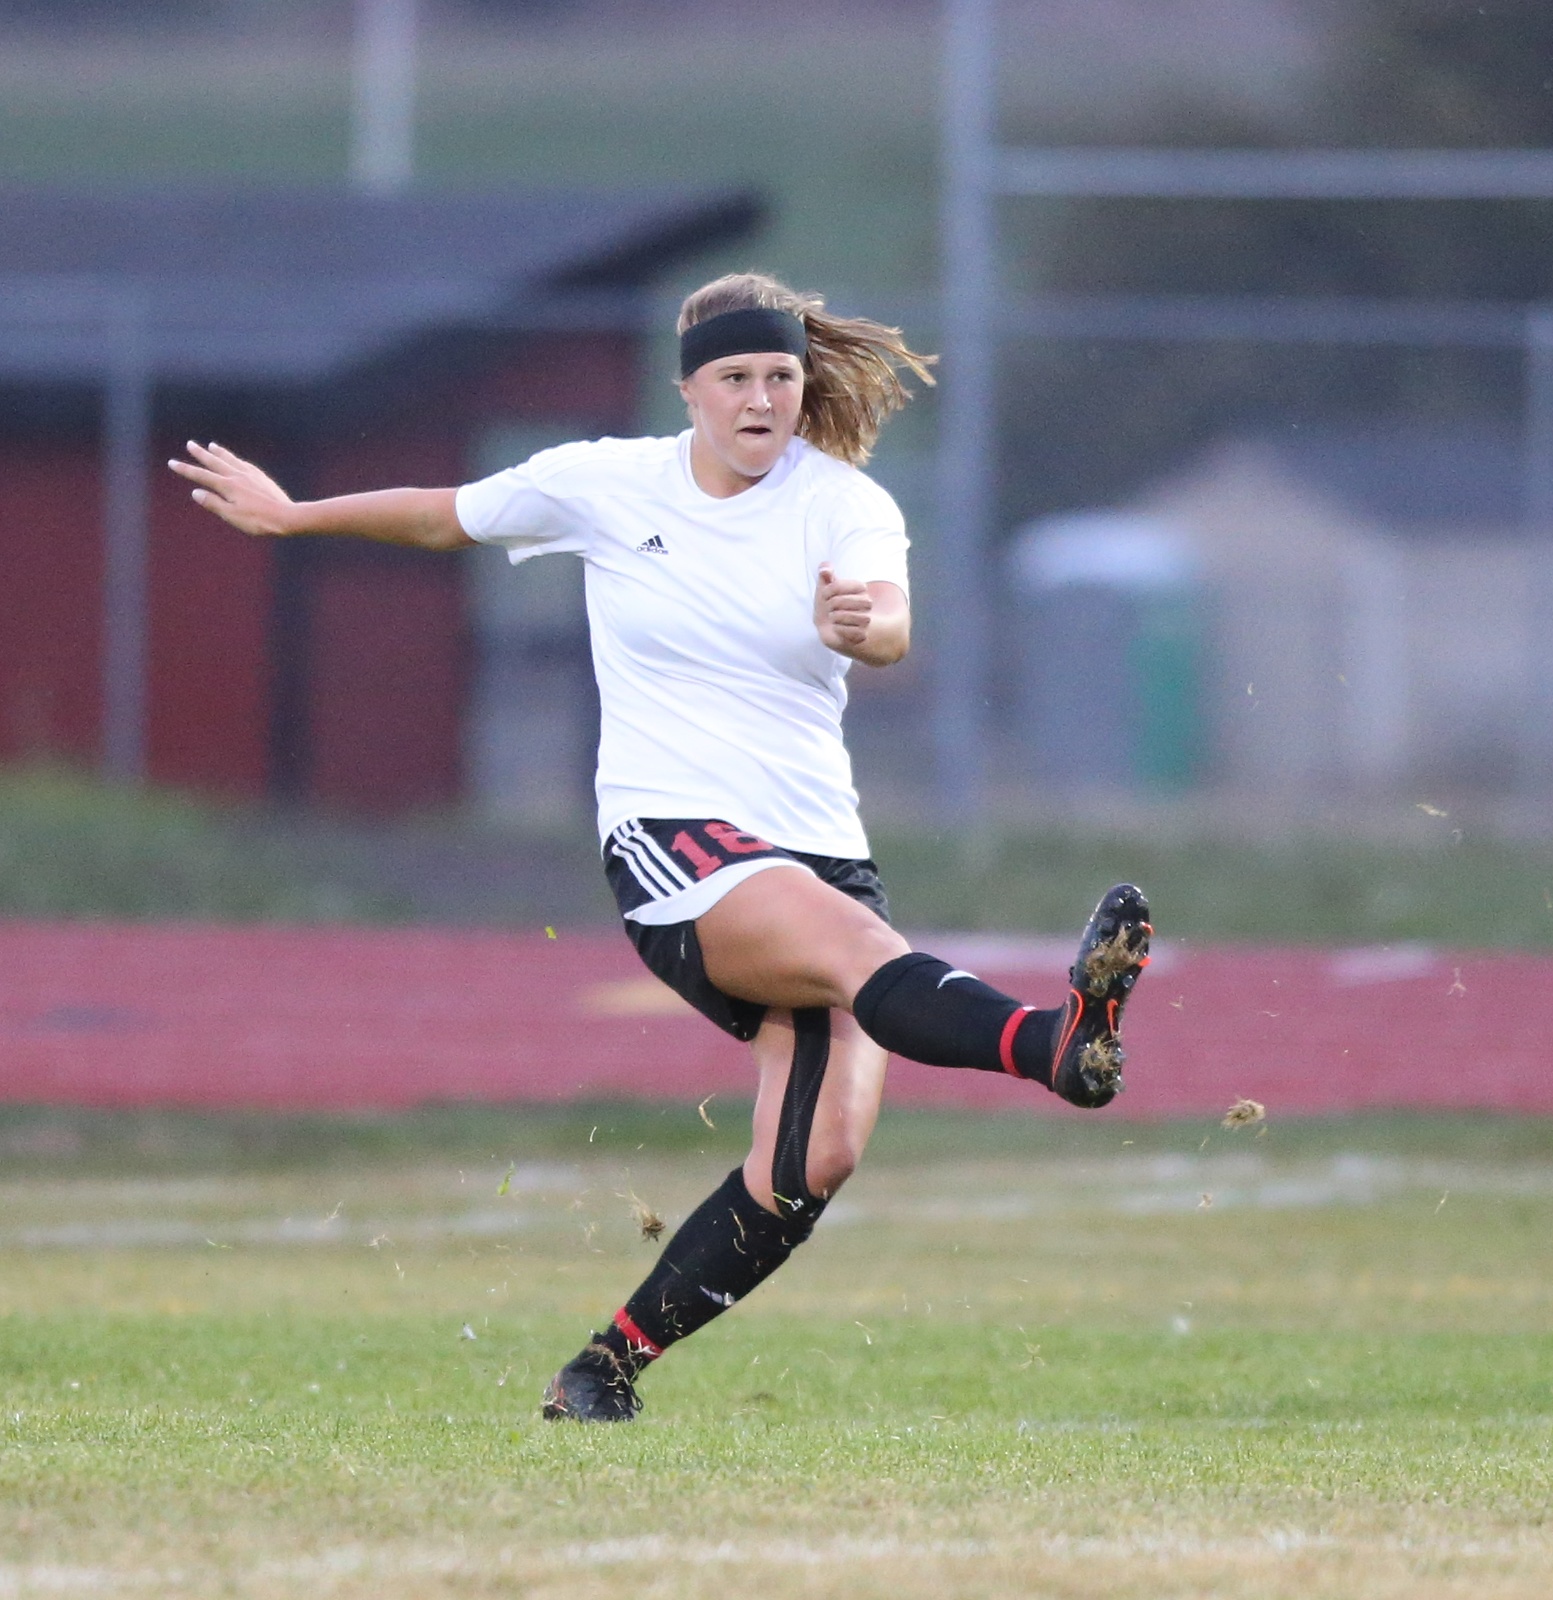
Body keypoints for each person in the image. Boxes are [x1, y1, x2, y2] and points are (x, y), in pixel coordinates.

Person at [169, 271, 1152, 1423]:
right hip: (672, 839)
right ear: (688, 389)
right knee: (856, 957)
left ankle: (603, 1367)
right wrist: (294, 516)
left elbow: (888, 621)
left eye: (779, 377)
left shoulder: (843, 503)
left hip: (819, 852)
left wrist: (867, 626)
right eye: (735, 377)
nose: (761, 399)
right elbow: (446, 513)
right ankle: (1052, 1042)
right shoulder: (606, 482)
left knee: (814, 1159)